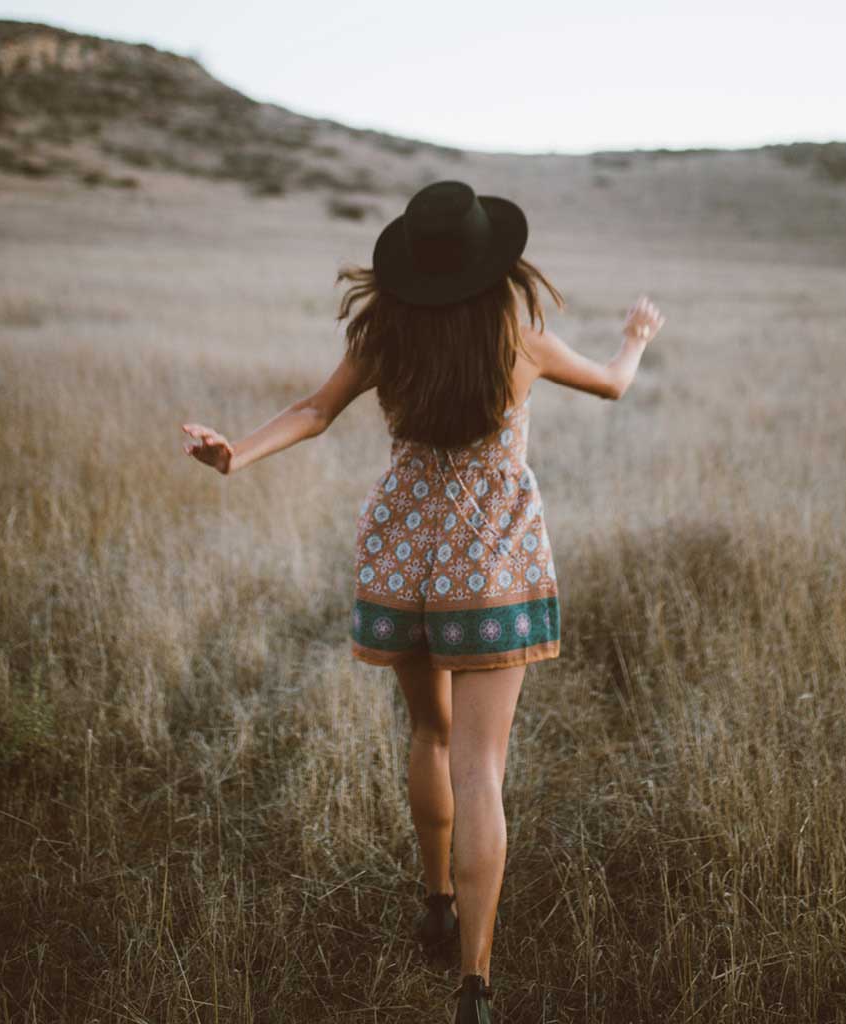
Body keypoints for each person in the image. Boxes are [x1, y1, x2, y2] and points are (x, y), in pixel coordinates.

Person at [181, 180, 665, 1023]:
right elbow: (616, 386)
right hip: (492, 562)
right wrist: (634, 340)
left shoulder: (386, 335)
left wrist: (236, 455)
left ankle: (435, 901)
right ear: (490, 265)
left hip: (402, 554)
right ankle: (475, 982)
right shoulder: (521, 338)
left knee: (428, 734)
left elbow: (313, 410)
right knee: (482, 767)